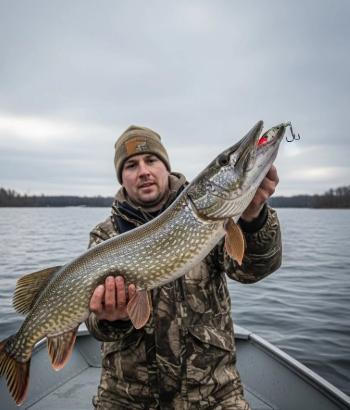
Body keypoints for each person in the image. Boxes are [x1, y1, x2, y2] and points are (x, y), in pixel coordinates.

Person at [85, 125, 282, 410]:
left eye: (151, 160)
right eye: (131, 165)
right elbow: (95, 325)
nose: (143, 171)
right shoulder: (106, 237)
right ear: (122, 177)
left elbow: (253, 270)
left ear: (166, 167)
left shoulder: (211, 214)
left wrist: (253, 216)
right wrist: (112, 318)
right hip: (127, 399)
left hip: (213, 394)